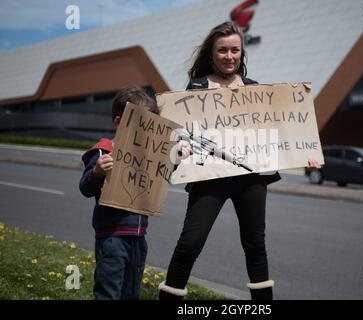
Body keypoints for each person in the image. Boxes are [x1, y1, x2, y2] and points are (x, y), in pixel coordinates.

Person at [158, 21, 321, 300]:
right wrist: (182, 148)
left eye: (235, 50)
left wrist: (304, 152)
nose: (229, 56)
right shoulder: (196, 87)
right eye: (222, 50)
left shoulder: (254, 89)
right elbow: (184, 131)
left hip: (251, 179)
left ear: (242, 53)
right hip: (209, 178)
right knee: (190, 243)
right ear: (211, 54)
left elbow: (279, 130)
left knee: (255, 244)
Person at [79, 86, 159, 300]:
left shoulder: (147, 153)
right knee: (108, 292)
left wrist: (175, 159)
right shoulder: (103, 151)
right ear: (118, 122)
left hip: (139, 238)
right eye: (139, 122)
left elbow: (159, 176)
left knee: (131, 294)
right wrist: (97, 172)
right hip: (112, 237)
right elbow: (85, 188)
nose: (144, 129)